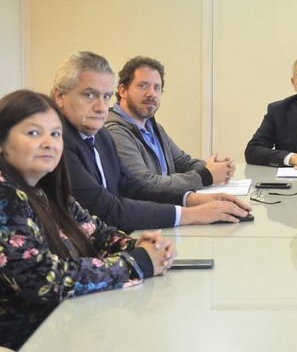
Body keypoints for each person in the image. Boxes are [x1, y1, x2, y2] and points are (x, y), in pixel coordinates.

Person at [0, 90, 176, 350]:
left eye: (55, 134)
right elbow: (42, 279)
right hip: (31, 341)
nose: (49, 143)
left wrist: (141, 245)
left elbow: (97, 233)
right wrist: (136, 263)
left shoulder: (45, 188)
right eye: (34, 133)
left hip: (71, 325)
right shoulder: (5, 194)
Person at [52, 51, 251, 232]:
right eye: (89, 95)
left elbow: (134, 187)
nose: (100, 107)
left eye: (105, 96)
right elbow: (107, 210)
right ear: (59, 96)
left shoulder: (101, 135)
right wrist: (191, 213)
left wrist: (194, 199)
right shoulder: (59, 145)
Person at [105, 56, 234, 194]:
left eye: (157, 88)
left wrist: (216, 168)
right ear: (123, 91)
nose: (151, 93)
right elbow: (144, 184)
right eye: (143, 86)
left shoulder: (153, 127)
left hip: (169, 202)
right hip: (150, 206)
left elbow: (183, 163)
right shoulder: (114, 130)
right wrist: (206, 175)